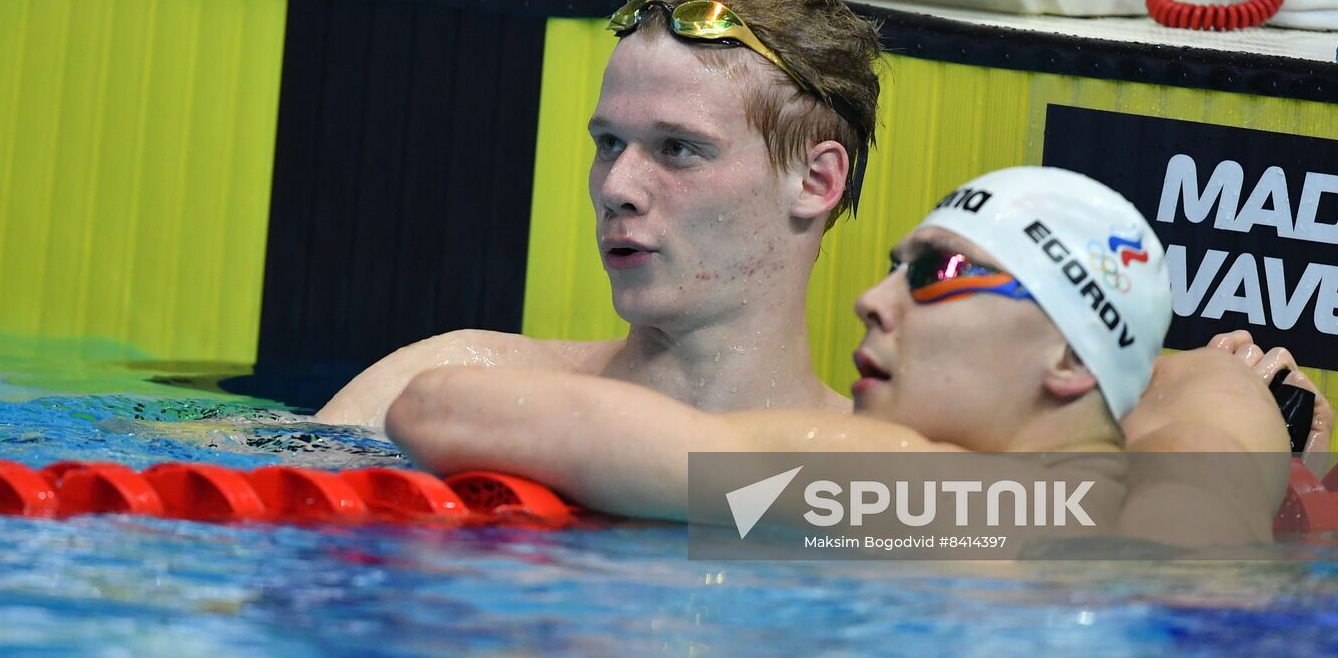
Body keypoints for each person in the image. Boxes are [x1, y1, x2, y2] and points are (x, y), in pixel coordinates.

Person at [388, 167, 1289, 544]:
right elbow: (1206, 374)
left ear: (1065, 357)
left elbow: (438, 410)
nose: (872, 298)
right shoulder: (1213, 483)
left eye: (934, 273)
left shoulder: (907, 491)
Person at [317, 0, 881, 427]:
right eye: (609, 143)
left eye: (678, 149)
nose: (617, 188)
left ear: (815, 181)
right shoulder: (450, 386)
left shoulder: (876, 486)